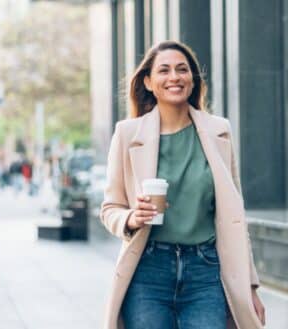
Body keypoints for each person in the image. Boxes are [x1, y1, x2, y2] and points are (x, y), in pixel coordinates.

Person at [100, 40, 266, 329]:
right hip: (148, 271)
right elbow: (110, 208)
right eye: (164, 70)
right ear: (149, 82)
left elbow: (235, 219)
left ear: (192, 80)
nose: (174, 77)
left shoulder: (219, 132)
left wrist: (250, 288)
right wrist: (131, 217)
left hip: (206, 272)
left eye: (182, 69)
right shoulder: (127, 134)